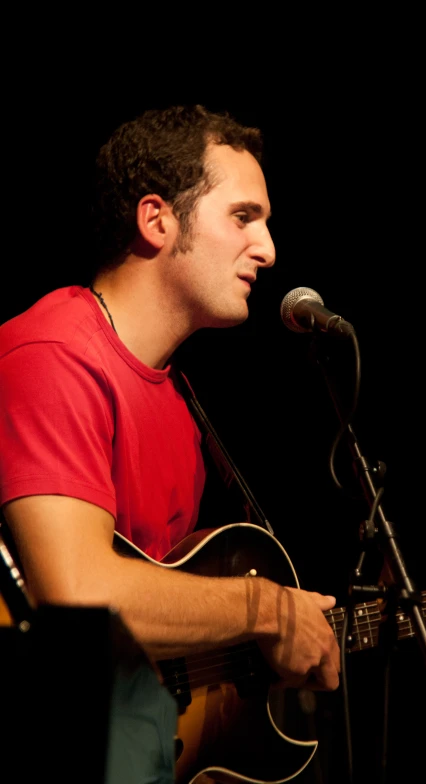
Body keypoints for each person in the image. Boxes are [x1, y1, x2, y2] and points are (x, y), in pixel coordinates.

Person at [0, 105, 340, 782]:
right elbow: (75, 594)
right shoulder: (53, 354)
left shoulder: (181, 406)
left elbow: (158, 631)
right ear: (157, 220)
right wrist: (264, 611)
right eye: (244, 217)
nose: (269, 250)